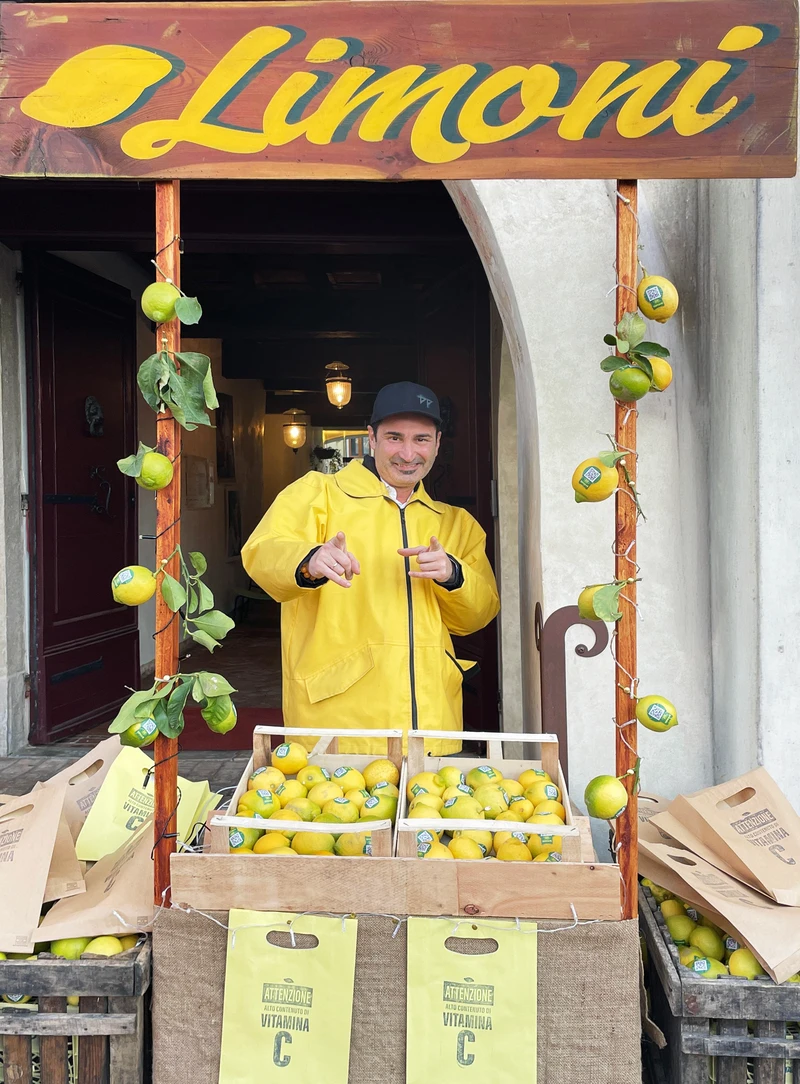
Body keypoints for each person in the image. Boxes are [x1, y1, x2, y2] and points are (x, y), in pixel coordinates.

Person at [242, 381, 500, 753]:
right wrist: (309, 560)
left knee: (427, 794)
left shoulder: (456, 524)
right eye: (394, 438)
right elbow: (261, 553)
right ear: (372, 438)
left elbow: (477, 616)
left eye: (421, 440)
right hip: (337, 723)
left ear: (437, 443)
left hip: (432, 720)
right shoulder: (318, 493)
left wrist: (453, 575)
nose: (408, 454)